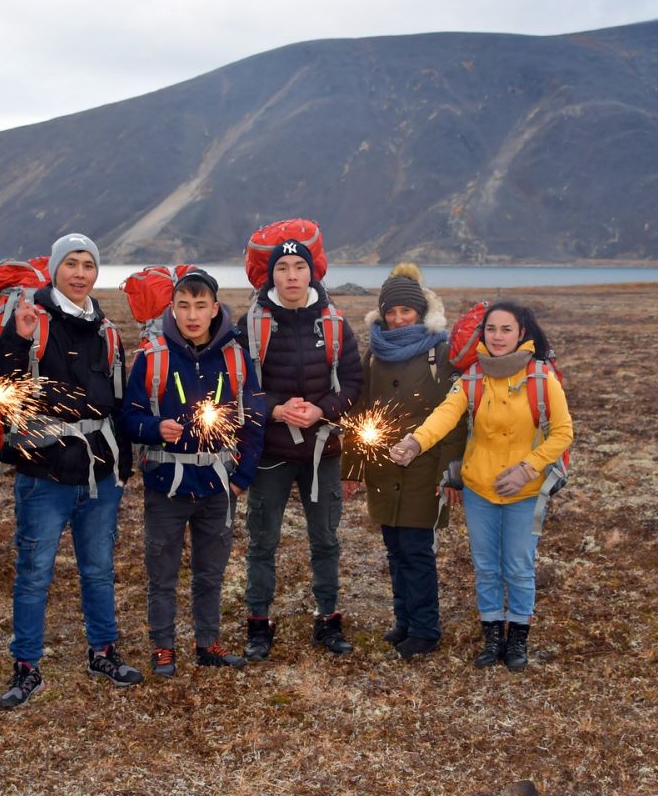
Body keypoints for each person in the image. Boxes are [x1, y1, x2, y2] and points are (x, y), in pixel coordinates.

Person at [0, 232, 140, 708]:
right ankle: (27, 664)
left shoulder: (106, 330)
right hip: (45, 472)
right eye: (71, 263)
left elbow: (116, 402)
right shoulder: (31, 320)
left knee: (99, 569)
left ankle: (103, 652)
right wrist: (18, 338)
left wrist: (123, 461)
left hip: (99, 472)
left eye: (88, 265)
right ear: (54, 269)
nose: (79, 273)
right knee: (34, 572)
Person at [390, 302, 572, 671]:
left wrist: (528, 468)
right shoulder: (472, 379)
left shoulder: (541, 378)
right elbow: (443, 416)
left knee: (519, 567)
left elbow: (564, 433)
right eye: (491, 329)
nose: (498, 336)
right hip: (479, 489)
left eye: (507, 329)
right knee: (486, 566)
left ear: (522, 333)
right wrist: (414, 442)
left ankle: (517, 637)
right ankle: (492, 636)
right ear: (482, 334)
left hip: (524, 491)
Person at [120, 270, 266, 677]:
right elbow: (129, 417)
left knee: (210, 572)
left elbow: (255, 419)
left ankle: (208, 642)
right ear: (172, 308)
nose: (192, 315)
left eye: (201, 306)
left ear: (215, 309)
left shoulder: (235, 357)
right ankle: (163, 647)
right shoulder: (154, 355)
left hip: (219, 485)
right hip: (165, 486)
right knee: (161, 572)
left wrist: (242, 479)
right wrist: (153, 429)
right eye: (183, 306)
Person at [239, 238, 363, 660]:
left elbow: (353, 381)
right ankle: (258, 622)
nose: (291, 276)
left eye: (298, 267)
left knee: (326, 539)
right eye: (282, 268)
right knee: (262, 542)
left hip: (322, 452)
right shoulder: (251, 324)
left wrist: (322, 411)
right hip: (269, 454)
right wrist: (274, 409)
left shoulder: (334, 322)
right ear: (270, 274)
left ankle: (328, 619)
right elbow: (238, 385)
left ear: (313, 272)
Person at [340, 263, 464, 660]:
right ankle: (404, 622)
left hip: (424, 469)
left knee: (416, 550)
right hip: (381, 467)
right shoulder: (373, 353)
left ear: (420, 312)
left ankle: (426, 629)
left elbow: (455, 415)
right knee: (394, 548)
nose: (396, 320)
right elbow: (360, 410)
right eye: (390, 312)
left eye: (404, 312)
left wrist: (450, 473)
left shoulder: (439, 352)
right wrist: (353, 467)